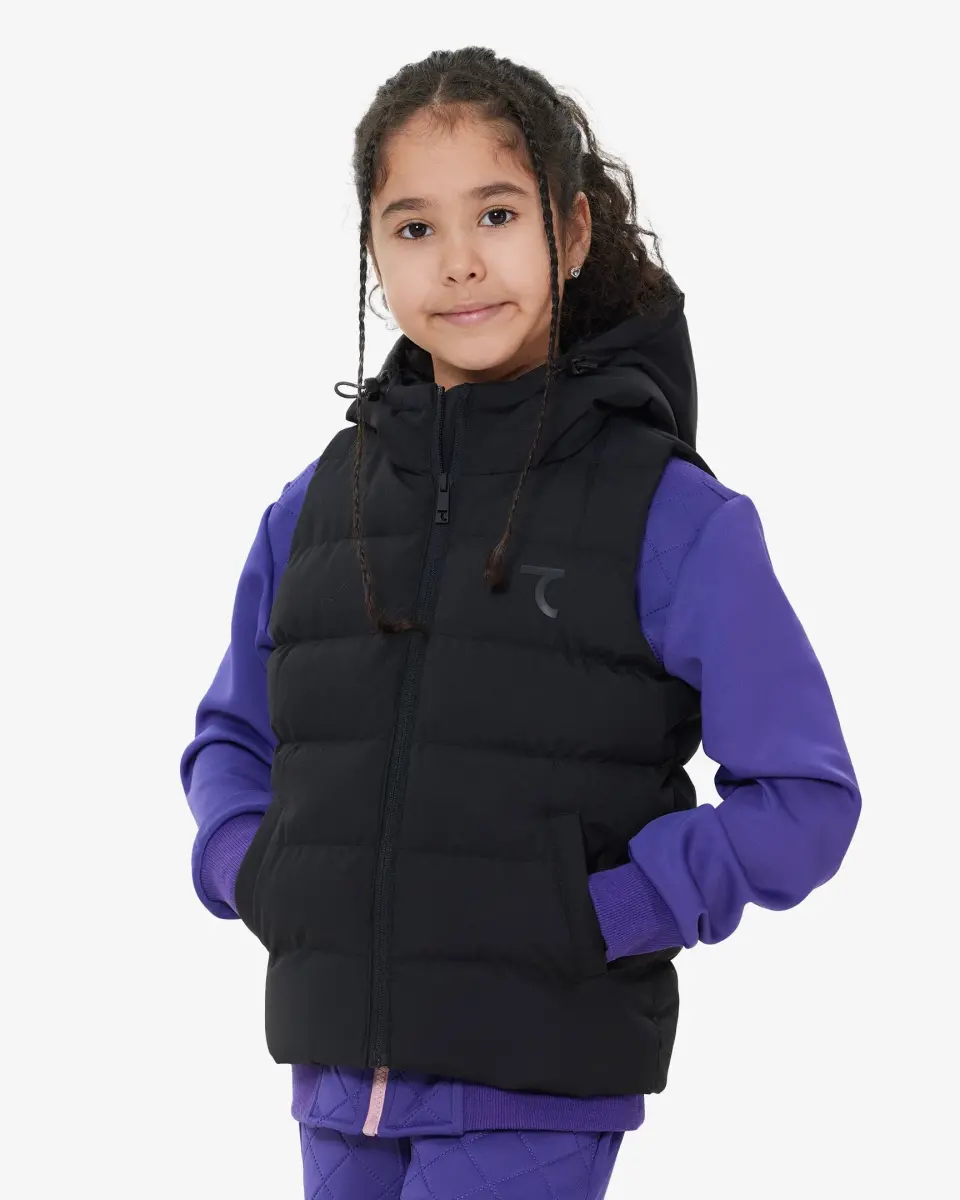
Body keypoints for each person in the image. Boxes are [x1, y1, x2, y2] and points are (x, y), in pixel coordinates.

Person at [179, 46, 861, 1200]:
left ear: (571, 231)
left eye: (496, 214)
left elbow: (805, 797)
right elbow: (230, 742)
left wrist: (611, 909)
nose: (457, 261)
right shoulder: (317, 506)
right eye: (413, 227)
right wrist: (257, 872)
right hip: (337, 1078)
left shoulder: (668, 515)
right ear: (373, 254)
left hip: (535, 1079)